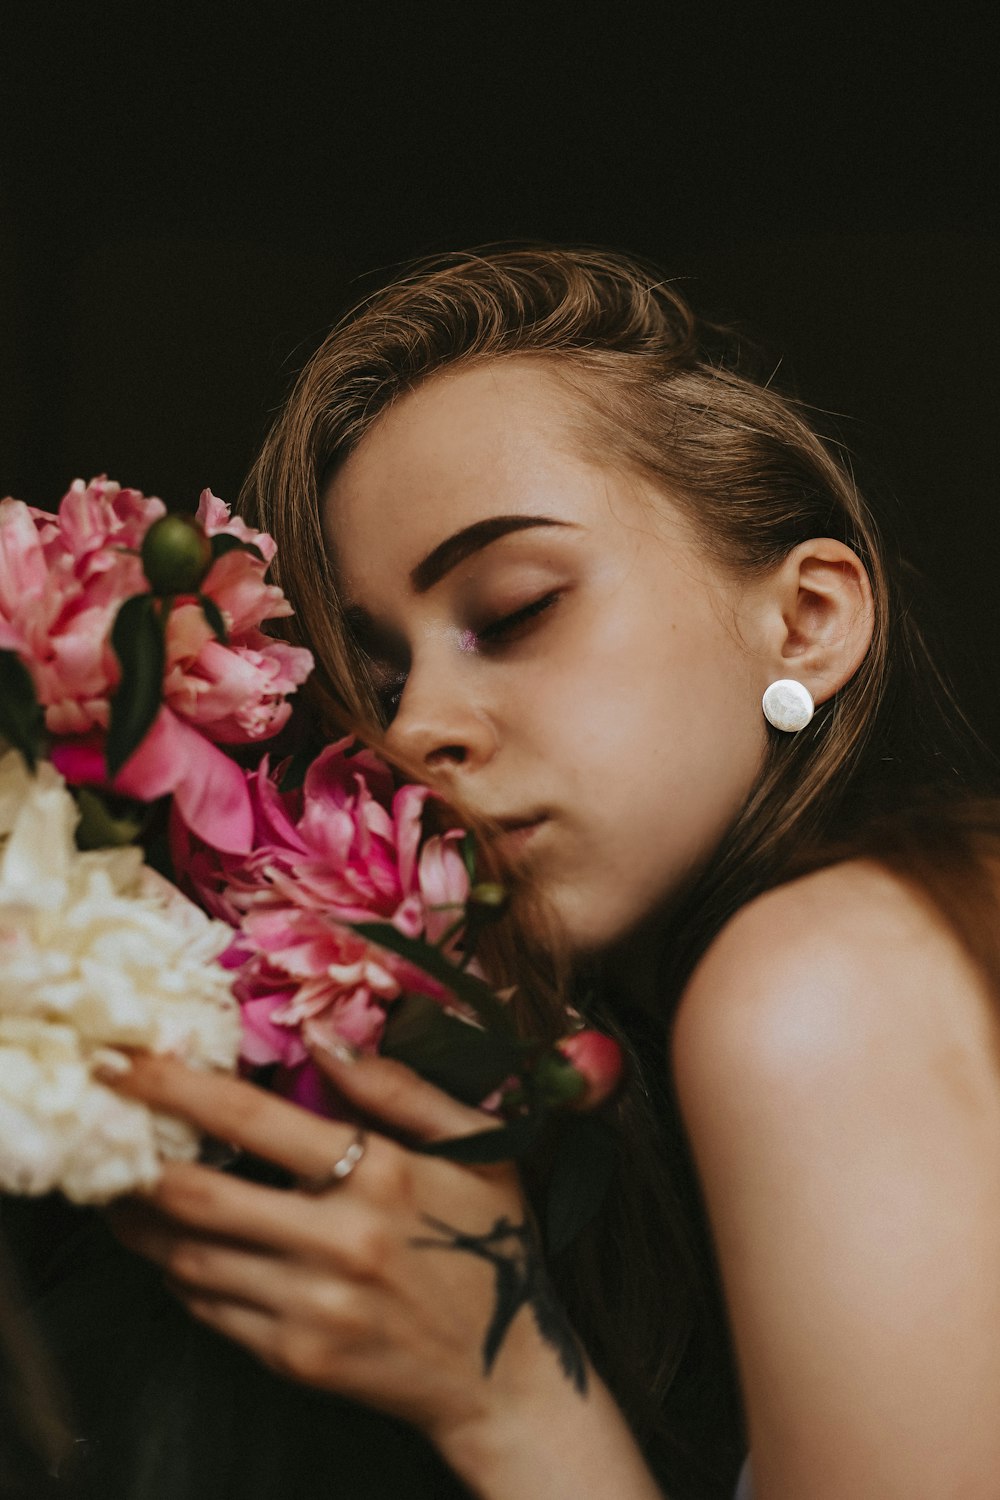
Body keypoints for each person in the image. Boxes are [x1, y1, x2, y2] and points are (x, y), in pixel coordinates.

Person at [105, 247, 1000, 1499]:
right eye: (381, 678)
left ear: (806, 620)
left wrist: (508, 1396)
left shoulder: (817, 986)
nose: (417, 732)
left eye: (514, 610)